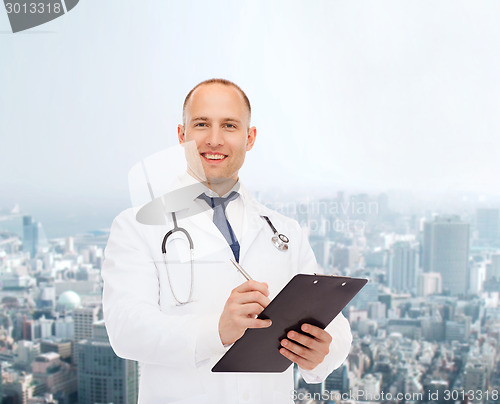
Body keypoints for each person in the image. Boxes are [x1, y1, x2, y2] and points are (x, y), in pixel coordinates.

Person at [102, 78, 352, 403]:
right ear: (182, 136)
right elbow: (126, 330)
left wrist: (324, 350)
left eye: (230, 126)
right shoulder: (136, 226)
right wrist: (217, 331)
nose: (215, 139)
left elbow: (333, 323)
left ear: (250, 138)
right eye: (202, 124)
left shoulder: (284, 231)